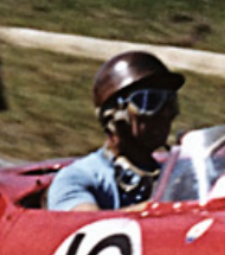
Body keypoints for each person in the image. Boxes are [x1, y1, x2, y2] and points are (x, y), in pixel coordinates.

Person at [47, 50, 185, 211]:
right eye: (149, 101)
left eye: (170, 101)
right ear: (113, 115)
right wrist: (160, 210)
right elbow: (85, 225)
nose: (165, 112)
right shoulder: (77, 178)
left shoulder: (175, 177)